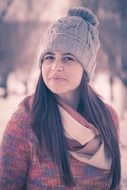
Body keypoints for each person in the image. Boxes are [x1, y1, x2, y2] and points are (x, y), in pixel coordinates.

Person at [0, 7, 121, 190]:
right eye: (49, 57)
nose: (56, 66)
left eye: (68, 58)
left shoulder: (108, 118)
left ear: (86, 67)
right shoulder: (25, 122)